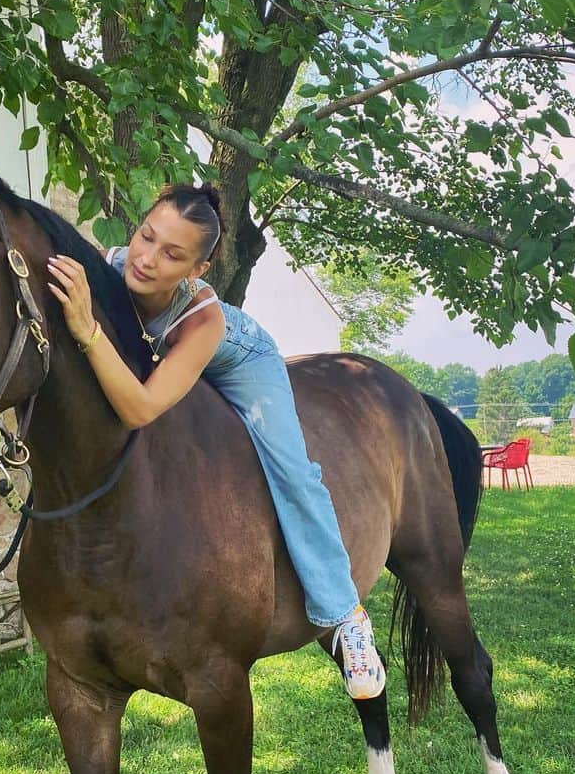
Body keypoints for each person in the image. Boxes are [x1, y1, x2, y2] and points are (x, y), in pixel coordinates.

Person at [46, 183, 385, 700]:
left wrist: (87, 330)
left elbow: (138, 407)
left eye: (172, 255)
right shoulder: (110, 264)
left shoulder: (204, 318)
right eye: (146, 237)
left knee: (293, 472)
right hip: (168, 358)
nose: (147, 259)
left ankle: (347, 615)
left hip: (243, 360)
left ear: (196, 271)